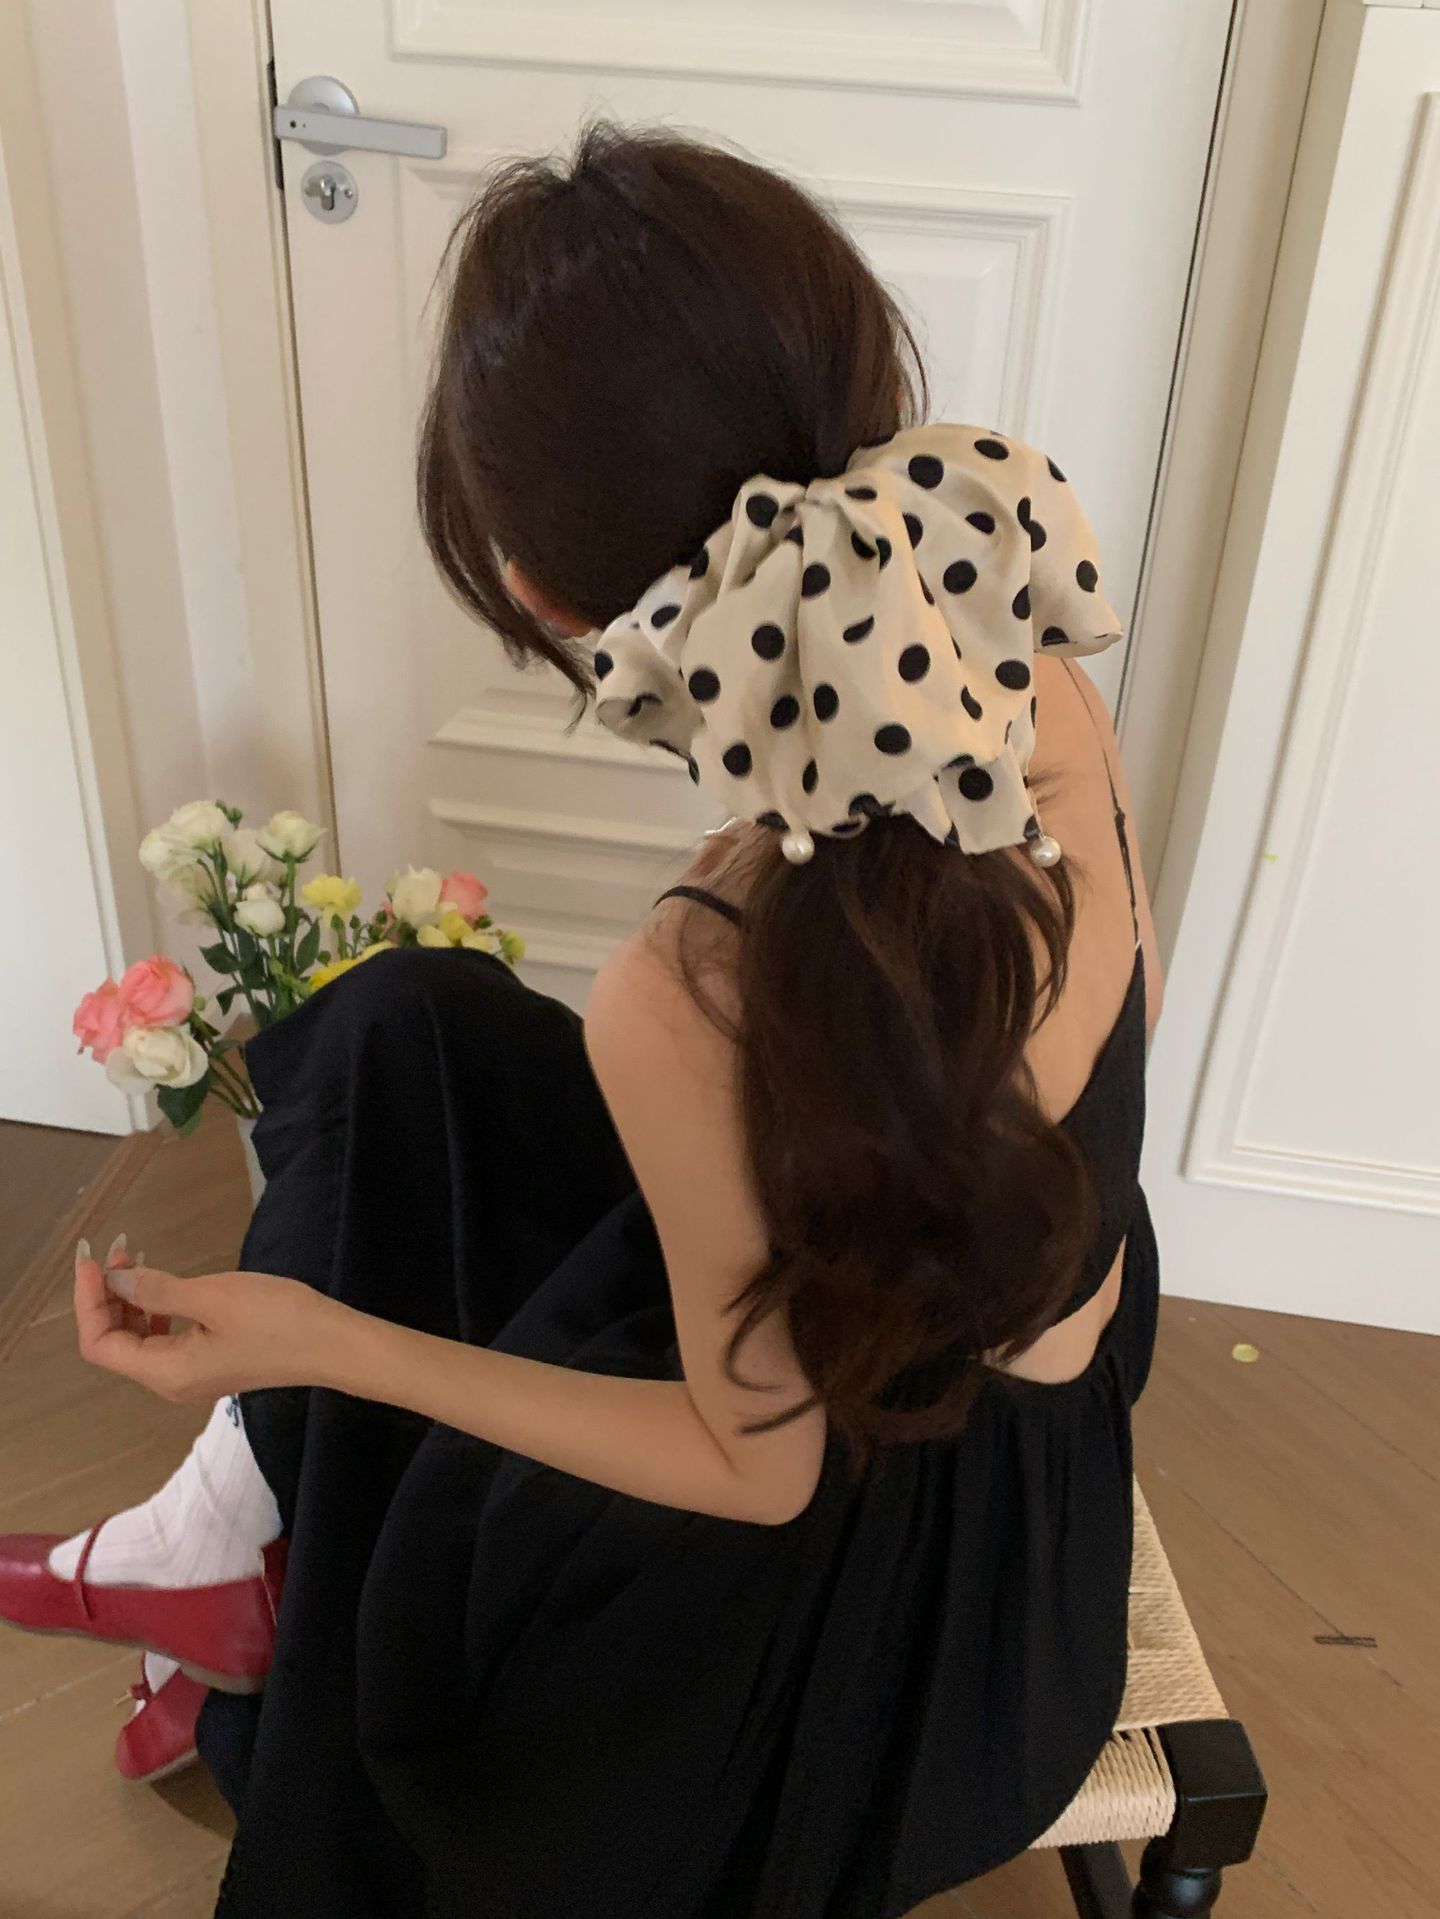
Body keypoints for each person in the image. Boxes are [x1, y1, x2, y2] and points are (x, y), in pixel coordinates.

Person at [0, 123, 1162, 1917]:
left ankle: (249, 1525)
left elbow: (758, 1477)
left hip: (889, 1653)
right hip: (1018, 1369)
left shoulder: (692, 989)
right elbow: (1020, 1087)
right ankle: (230, 1513)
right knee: (411, 1029)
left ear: (545, 601)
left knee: (409, 1549)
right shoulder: (1015, 655)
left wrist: (321, 1341)